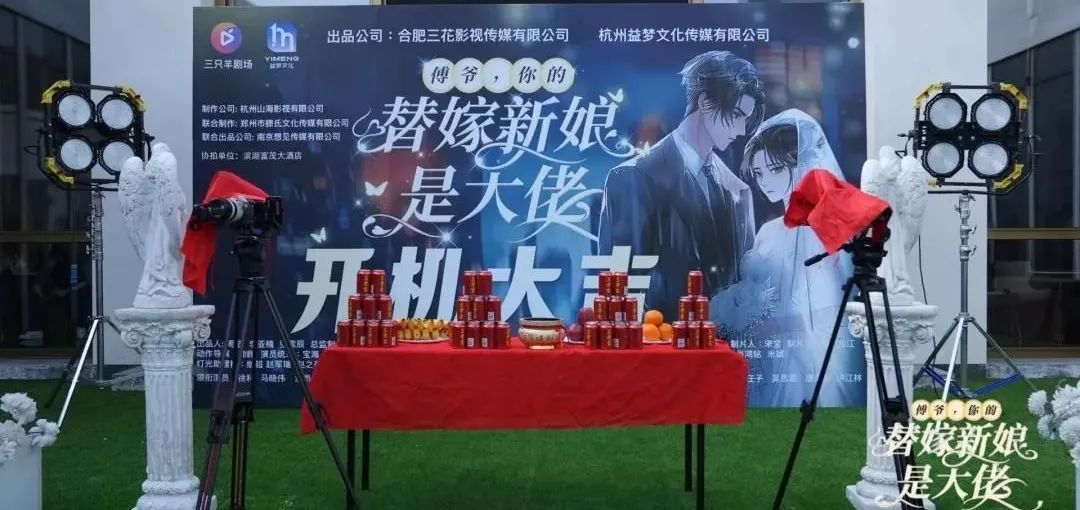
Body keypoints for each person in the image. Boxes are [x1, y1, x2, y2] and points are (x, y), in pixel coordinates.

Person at [711, 108, 861, 407]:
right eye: (758, 173)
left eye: (775, 169)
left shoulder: (824, 227)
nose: (764, 181)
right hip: (769, 350)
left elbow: (832, 305)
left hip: (812, 349)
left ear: (801, 163)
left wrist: (776, 325)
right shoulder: (769, 231)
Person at [598, 51, 763, 321]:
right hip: (658, 339)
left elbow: (745, 285)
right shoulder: (632, 177)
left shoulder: (738, 190)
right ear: (705, 102)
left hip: (724, 343)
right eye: (736, 114)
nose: (742, 130)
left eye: (745, 118)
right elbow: (619, 288)